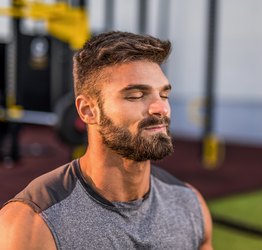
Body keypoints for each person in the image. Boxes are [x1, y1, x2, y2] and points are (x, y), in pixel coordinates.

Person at [0, 31, 213, 250]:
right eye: (136, 95)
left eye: (163, 95)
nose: (160, 108)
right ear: (88, 111)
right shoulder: (32, 223)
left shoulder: (189, 204)